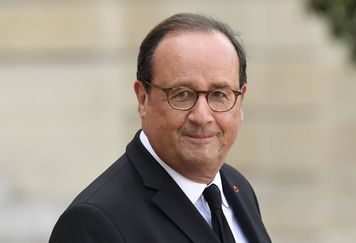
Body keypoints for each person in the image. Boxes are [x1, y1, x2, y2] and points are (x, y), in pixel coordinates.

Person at [49, 13, 272, 243]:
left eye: (219, 95)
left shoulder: (236, 188)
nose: (202, 117)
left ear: (240, 100)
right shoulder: (93, 224)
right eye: (182, 94)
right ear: (143, 98)